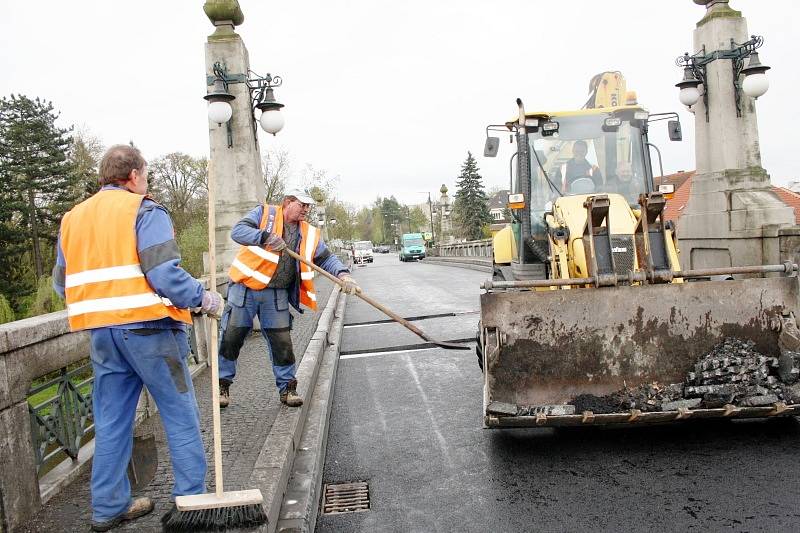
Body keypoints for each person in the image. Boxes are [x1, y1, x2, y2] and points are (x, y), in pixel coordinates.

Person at [52, 145, 223, 531]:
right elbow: (163, 274)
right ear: (133, 176)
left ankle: (108, 507)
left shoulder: (73, 219)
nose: (146, 182)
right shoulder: (144, 210)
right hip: (150, 331)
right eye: (145, 175)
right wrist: (203, 298)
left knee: (111, 420)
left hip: (101, 334)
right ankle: (191, 501)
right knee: (179, 414)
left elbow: (62, 283)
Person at [217, 190, 359, 408]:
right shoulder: (264, 213)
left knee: (281, 342)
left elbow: (326, 259)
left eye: (308, 206)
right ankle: (222, 386)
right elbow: (238, 232)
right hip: (245, 289)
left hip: (276, 294)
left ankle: (288, 389)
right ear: (287, 202)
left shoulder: (309, 233)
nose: (306, 209)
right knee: (232, 337)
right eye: (302, 204)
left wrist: (343, 275)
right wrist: (264, 237)